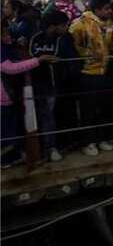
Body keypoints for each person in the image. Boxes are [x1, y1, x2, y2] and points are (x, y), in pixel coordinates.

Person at [1, 20, 57, 167]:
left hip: (10, 93)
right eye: (5, 32)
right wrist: (38, 60)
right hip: (4, 95)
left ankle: (16, 154)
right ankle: (7, 159)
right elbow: (10, 68)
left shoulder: (7, 46)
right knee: (8, 130)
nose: (8, 35)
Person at [68, 0, 113, 156]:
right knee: (87, 110)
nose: (109, 11)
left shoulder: (110, 25)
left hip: (105, 71)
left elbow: (112, 45)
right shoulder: (80, 24)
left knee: (103, 108)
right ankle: (87, 142)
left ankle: (100, 138)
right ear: (96, 10)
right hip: (87, 72)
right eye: (106, 9)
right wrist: (86, 56)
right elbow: (73, 46)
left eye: (110, 8)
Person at [28, 10, 72, 162]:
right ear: (54, 26)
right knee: (45, 117)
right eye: (64, 25)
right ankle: (48, 148)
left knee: (53, 116)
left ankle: (53, 145)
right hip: (40, 84)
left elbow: (66, 58)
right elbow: (30, 58)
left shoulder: (63, 39)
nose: (67, 28)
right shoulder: (35, 38)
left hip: (58, 83)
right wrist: (43, 60)